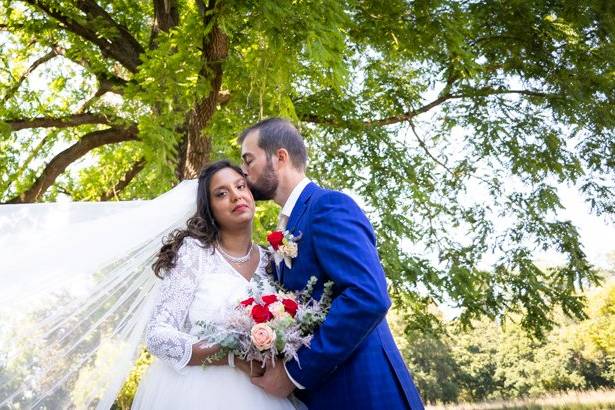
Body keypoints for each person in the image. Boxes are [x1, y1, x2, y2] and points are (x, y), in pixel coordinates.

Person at [240, 118, 425, 409]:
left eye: (248, 160)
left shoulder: (327, 206)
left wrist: (293, 373)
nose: (244, 171)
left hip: (364, 392)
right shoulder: (287, 227)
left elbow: (368, 296)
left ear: (280, 157)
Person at [132, 160, 294, 410]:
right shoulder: (195, 253)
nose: (236, 196)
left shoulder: (272, 261)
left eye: (241, 186)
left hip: (264, 393)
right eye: (221, 193)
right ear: (209, 209)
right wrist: (229, 355)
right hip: (197, 394)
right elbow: (157, 335)